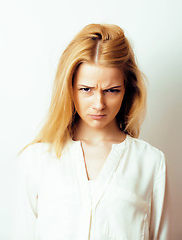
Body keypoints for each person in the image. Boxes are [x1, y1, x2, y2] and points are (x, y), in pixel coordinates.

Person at [13, 23, 169, 240]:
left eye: (111, 90)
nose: (99, 104)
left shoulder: (151, 162)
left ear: (127, 89)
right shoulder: (36, 159)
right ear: (69, 88)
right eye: (86, 89)